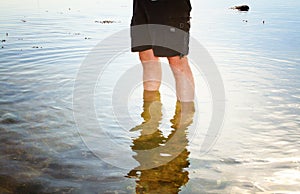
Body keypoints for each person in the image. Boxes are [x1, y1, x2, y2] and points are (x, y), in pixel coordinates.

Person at [130, 0, 195, 102]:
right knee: (147, 56)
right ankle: (151, 113)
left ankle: (185, 114)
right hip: (142, 3)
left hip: (169, 5)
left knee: (176, 60)